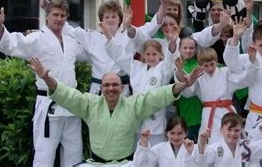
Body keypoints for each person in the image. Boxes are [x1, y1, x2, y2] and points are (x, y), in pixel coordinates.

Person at [27, 57, 201, 164]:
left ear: (122, 87)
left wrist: (184, 84)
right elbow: (68, 95)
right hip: (96, 163)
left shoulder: (134, 105)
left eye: (115, 85)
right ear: (101, 88)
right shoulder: (90, 104)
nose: (111, 88)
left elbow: (159, 96)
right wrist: (47, 78)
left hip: (125, 164)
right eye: (107, 85)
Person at [0, 0, 86, 166]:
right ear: (47, 16)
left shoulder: (71, 41)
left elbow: (92, 55)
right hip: (49, 105)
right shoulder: (37, 38)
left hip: (71, 105)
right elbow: (10, 45)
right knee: (44, 156)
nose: (59, 19)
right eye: (55, 14)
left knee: (74, 156)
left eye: (63, 15)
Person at [103, 20, 180, 145]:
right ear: (143, 56)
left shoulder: (163, 68)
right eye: (148, 54)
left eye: (154, 54)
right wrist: (107, 35)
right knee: (139, 156)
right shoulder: (136, 67)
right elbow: (119, 55)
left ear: (161, 55)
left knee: (156, 155)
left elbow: (170, 62)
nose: (151, 57)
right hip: (137, 119)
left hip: (155, 121)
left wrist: (172, 43)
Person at [176, 32, 259, 144]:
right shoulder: (198, 76)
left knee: (232, 141)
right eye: (205, 65)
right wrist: (181, 73)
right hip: (209, 113)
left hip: (227, 112)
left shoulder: (225, 72)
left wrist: (252, 61)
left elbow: (243, 80)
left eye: (212, 64)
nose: (210, 68)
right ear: (200, 65)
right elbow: (187, 92)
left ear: (216, 62)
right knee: (211, 144)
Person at [190, 113, 262, 166]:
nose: (233, 133)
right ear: (221, 130)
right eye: (229, 130)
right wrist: (201, 143)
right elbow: (201, 160)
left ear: (241, 130)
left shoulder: (247, 145)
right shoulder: (215, 148)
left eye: (236, 130)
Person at [175, 37, 204, 141]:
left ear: (196, 49)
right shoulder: (176, 64)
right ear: (179, 49)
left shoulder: (201, 63)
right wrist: (179, 71)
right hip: (186, 111)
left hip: (202, 110)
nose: (188, 51)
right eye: (185, 48)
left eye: (191, 48)